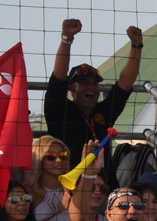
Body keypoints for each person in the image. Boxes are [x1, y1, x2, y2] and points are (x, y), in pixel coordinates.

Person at [45, 19, 144, 168]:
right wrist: (66, 38)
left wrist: (137, 46)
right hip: (69, 178)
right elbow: (59, 77)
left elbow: (125, 84)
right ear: (71, 88)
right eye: (84, 83)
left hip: (103, 180)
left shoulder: (104, 112)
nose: (91, 88)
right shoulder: (60, 110)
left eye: (95, 83)